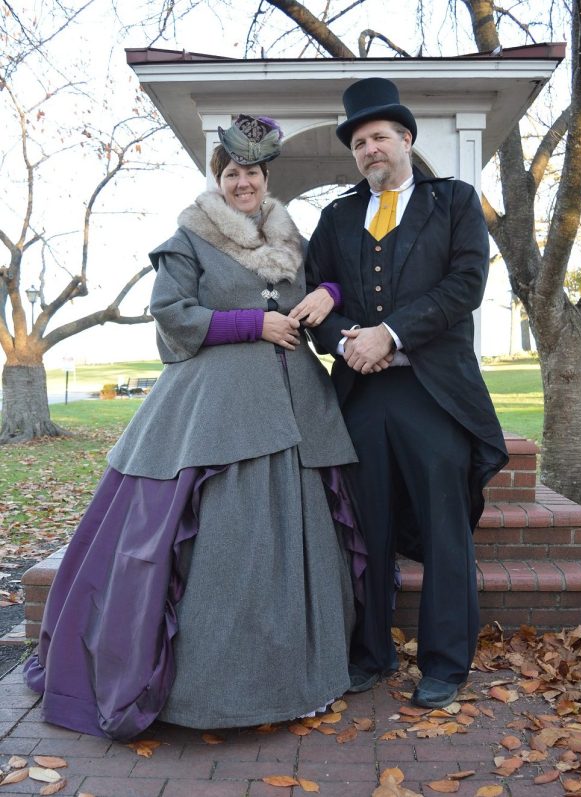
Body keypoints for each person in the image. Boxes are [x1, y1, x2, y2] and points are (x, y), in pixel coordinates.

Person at [24, 113, 365, 740]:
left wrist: (331, 293)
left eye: (254, 173)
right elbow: (171, 315)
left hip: (296, 408)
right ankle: (212, 694)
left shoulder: (290, 240)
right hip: (215, 412)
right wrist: (250, 325)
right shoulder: (189, 238)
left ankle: (300, 677)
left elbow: (307, 306)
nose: (245, 183)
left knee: (298, 544)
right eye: (233, 173)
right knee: (216, 547)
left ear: (266, 178)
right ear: (219, 178)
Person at [304, 78, 509, 709]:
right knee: (367, 528)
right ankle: (370, 653)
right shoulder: (336, 216)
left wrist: (390, 334)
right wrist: (346, 343)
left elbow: (465, 285)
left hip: (433, 392)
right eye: (359, 142)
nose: (369, 149)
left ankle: (446, 664)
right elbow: (317, 294)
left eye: (379, 137)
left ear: (406, 140)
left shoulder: (452, 202)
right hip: (362, 396)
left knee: (446, 530)